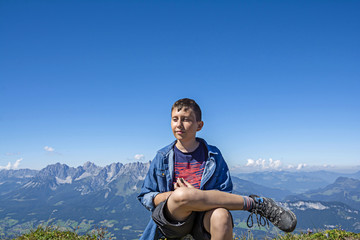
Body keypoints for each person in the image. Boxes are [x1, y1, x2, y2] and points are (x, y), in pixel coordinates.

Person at [137, 98, 297, 240]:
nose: (179, 124)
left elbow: (224, 195)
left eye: (186, 119)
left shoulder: (213, 155)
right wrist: (178, 196)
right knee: (183, 195)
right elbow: (146, 196)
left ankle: (257, 204)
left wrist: (197, 196)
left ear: (199, 125)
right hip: (174, 221)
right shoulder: (162, 156)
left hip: (204, 217)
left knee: (222, 216)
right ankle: (253, 204)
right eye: (175, 119)